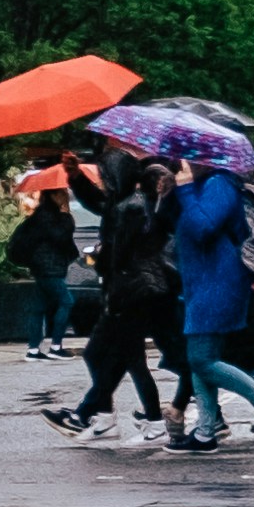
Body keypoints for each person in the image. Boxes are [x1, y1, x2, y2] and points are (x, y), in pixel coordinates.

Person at [56, 166, 178, 436]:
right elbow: (101, 205)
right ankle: (101, 414)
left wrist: (101, 255)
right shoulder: (132, 204)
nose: (103, 180)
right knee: (121, 358)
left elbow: (121, 253)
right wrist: (76, 177)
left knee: (122, 358)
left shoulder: (132, 208)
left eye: (105, 175)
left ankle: (101, 414)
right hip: (132, 291)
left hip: (131, 292)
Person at [173, 155, 254, 435]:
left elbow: (202, 227)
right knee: (201, 357)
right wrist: (170, 191)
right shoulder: (203, 185)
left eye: (190, 156)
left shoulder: (220, 184)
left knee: (201, 358)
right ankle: (206, 430)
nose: (183, 161)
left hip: (218, 283)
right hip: (201, 283)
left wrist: (184, 189)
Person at [4, 166, 81, 357]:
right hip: (50, 268)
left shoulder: (39, 215)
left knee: (39, 307)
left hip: (40, 267)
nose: (65, 196)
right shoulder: (53, 217)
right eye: (62, 193)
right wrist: (67, 216)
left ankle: (33, 349)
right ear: (54, 195)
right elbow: (61, 238)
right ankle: (56, 346)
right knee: (67, 302)